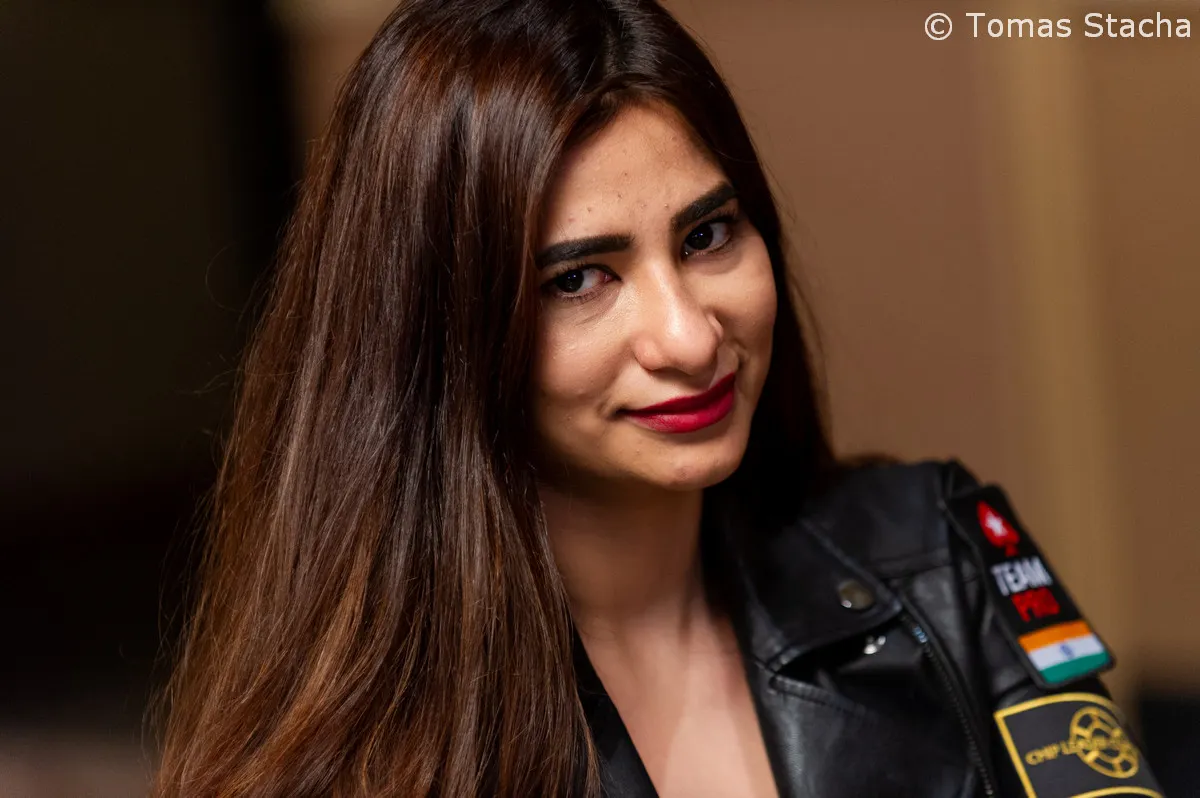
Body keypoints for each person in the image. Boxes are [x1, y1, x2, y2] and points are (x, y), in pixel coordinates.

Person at [151, 1, 1165, 796]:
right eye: (576, 280)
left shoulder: (943, 559)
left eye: (706, 236)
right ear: (439, 337)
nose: (688, 337)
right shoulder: (350, 759)